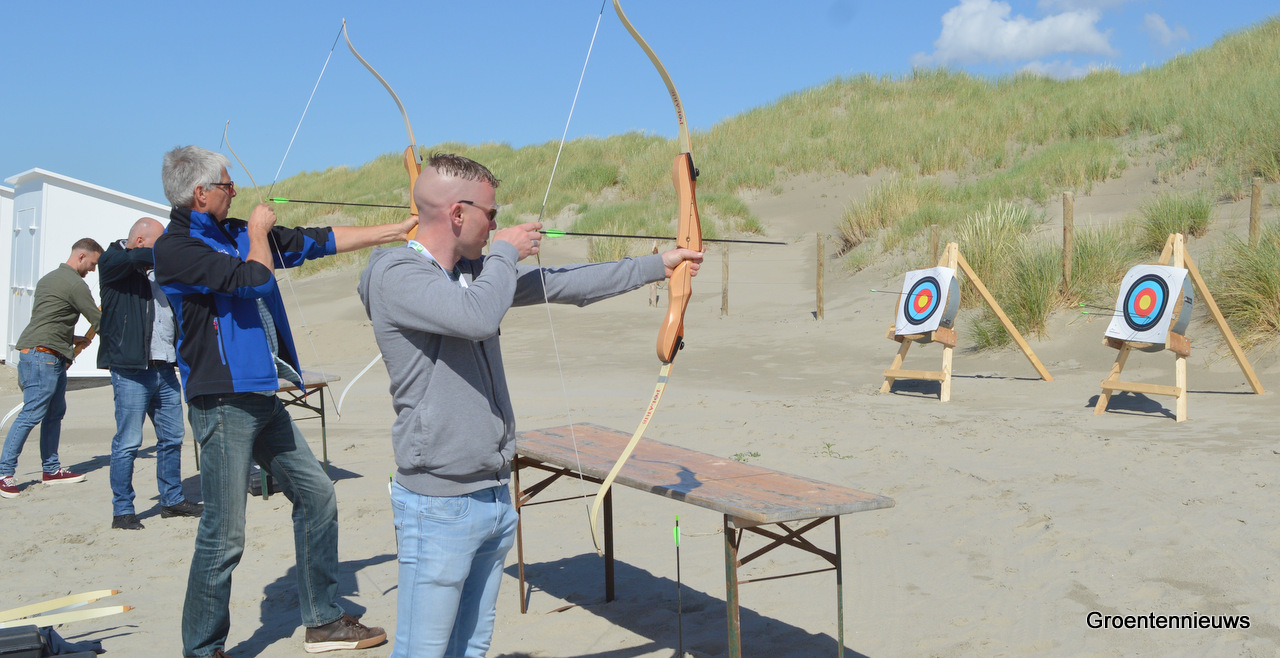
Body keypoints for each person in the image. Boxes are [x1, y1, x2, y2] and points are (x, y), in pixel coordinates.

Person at [356, 153, 703, 657]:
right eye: (491, 214)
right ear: (458, 214)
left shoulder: (473, 274)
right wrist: (504, 251)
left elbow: (557, 283)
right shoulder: (396, 274)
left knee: (470, 646)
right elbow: (475, 317)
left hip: (493, 494)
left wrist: (657, 266)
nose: (497, 223)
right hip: (438, 505)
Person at [154, 145, 415, 657]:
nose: (234, 192)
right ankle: (202, 649)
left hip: (262, 394)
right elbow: (251, 279)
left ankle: (323, 621)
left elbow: (315, 241)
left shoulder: (232, 232)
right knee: (224, 533)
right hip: (220, 400)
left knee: (317, 496)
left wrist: (398, 230)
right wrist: (257, 234)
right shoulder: (175, 248)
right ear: (200, 193)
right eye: (226, 185)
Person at [97, 217, 202, 530]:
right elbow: (131, 259)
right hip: (132, 370)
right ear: (141, 241)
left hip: (165, 367)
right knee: (128, 442)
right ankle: (122, 510)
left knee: (173, 438)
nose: (164, 249)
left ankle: (171, 500)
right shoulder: (113, 260)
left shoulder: (158, 269)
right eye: (160, 242)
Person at [0, 239, 103, 499]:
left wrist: (72, 338)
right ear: (82, 256)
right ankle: (4, 473)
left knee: (54, 413)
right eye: (93, 264)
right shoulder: (75, 284)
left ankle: (51, 470)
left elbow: (49, 319)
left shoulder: (49, 278)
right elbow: (99, 321)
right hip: (42, 358)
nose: (93, 270)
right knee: (32, 413)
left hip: (44, 354)